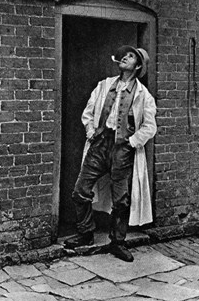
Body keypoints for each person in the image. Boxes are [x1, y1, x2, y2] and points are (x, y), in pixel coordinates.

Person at [65, 45, 157, 262]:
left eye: (131, 56)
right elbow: (88, 112)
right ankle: (85, 233)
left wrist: (131, 142)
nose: (125, 58)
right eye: (124, 55)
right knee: (80, 191)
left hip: (122, 149)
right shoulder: (105, 85)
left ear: (138, 66)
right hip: (100, 144)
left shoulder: (144, 96)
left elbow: (149, 126)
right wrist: (90, 132)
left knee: (121, 200)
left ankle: (118, 242)